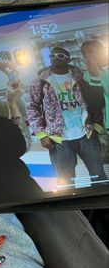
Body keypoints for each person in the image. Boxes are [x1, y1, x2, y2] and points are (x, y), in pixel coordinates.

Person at [26, 46, 107, 188]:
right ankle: (74, 209)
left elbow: (96, 101)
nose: (56, 57)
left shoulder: (79, 77)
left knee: (99, 177)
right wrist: (41, 134)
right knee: (65, 184)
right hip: (58, 139)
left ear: (68, 58)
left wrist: (98, 127)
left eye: (61, 55)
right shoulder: (41, 80)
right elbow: (32, 107)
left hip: (86, 135)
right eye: (53, 55)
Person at [81, 40, 109, 163]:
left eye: (91, 52)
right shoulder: (87, 76)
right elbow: (95, 103)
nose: (87, 56)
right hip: (104, 128)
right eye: (84, 53)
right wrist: (94, 76)